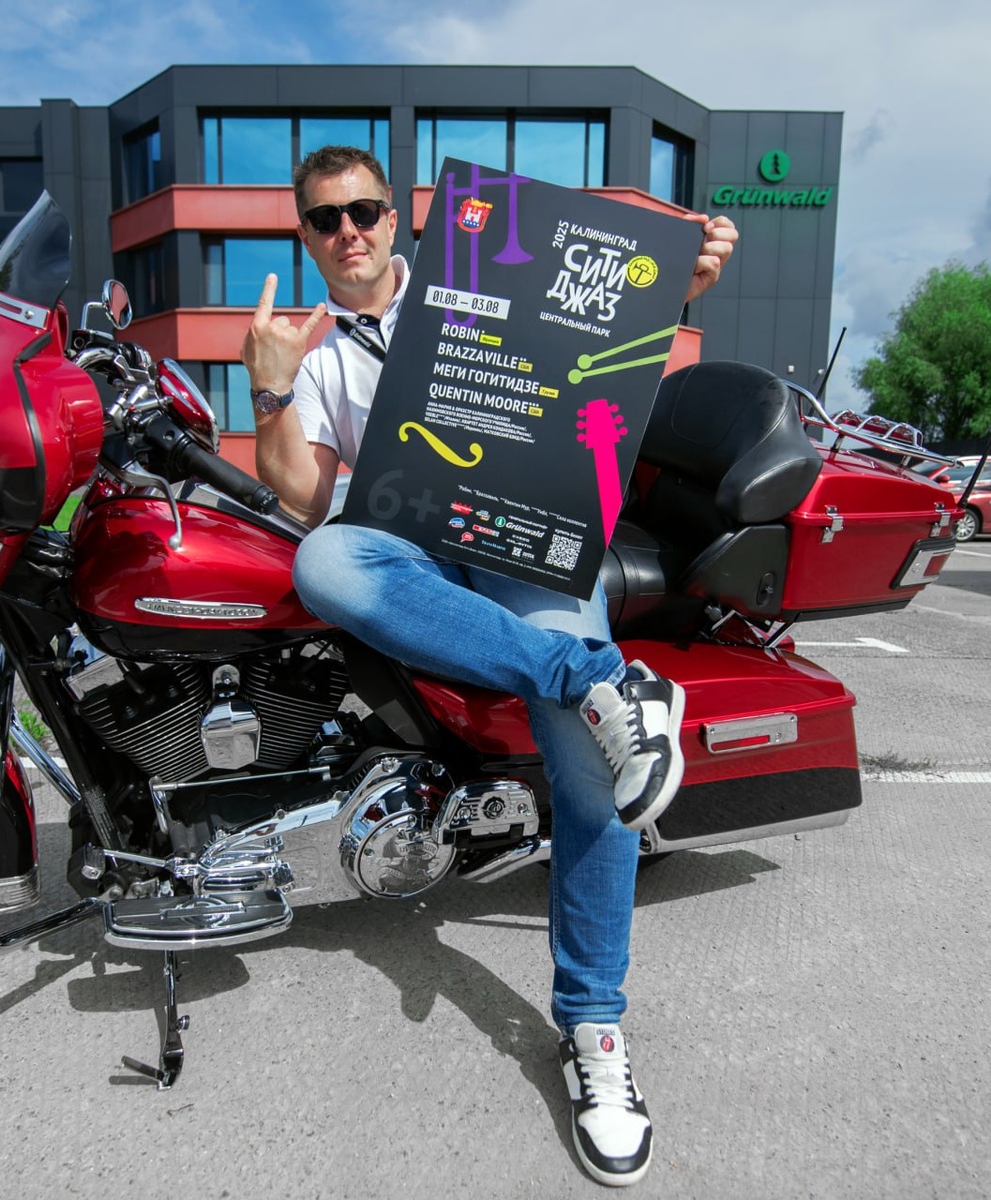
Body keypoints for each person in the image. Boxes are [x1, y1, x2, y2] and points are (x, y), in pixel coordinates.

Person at [242, 145, 737, 1187]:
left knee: (592, 771)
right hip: (413, 548)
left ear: (395, 218)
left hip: (526, 538)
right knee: (324, 558)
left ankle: (594, 1029)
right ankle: (596, 679)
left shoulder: (481, 283)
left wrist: (672, 288)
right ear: (307, 234)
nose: (348, 232)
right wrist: (270, 386)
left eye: (364, 210)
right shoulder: (318, 358)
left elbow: (599, 334)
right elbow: (298, 496)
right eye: (325, 219)